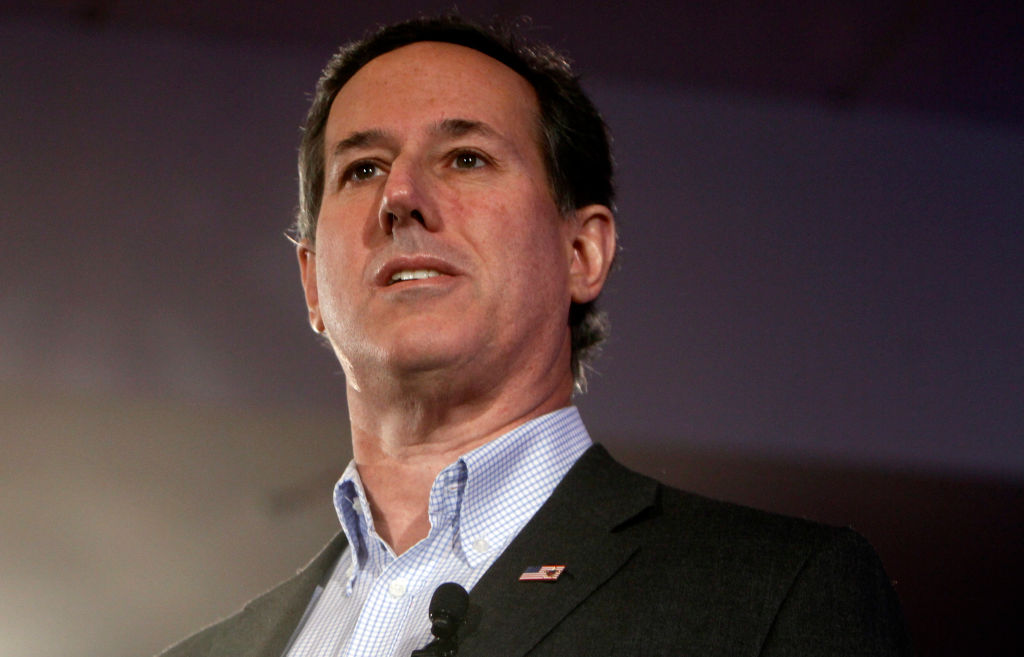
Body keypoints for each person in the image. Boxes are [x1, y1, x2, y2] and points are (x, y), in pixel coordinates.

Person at [158, 15, 910, 657]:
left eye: (466, 158)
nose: (401, 197)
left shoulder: (774, 593)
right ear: (312, 283)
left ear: (581, 252)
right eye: (362, 168)